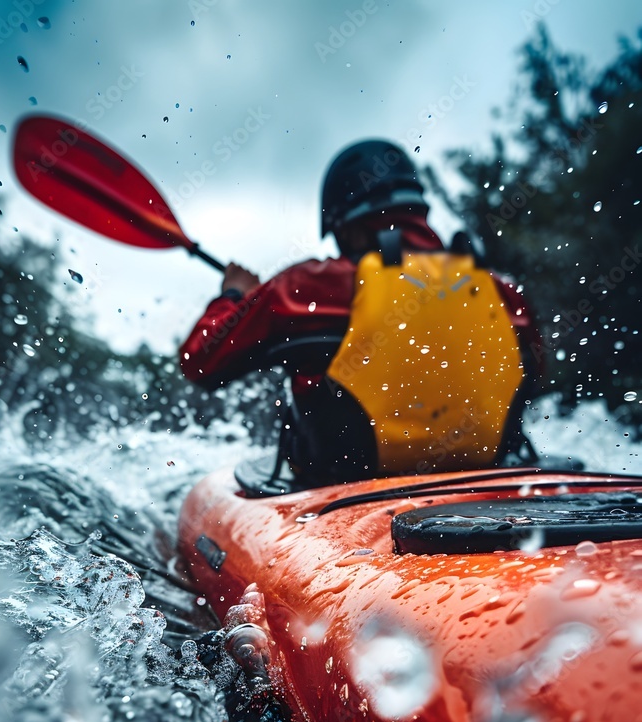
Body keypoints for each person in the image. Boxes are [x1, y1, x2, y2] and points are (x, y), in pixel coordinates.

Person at [179, 140, 540, 490]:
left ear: (349, 230)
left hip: (341, 494)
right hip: (490, 486)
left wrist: (234, 296)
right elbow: (535, 375)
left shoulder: (309, 287)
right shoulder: (503, 294)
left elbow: (200, 359)